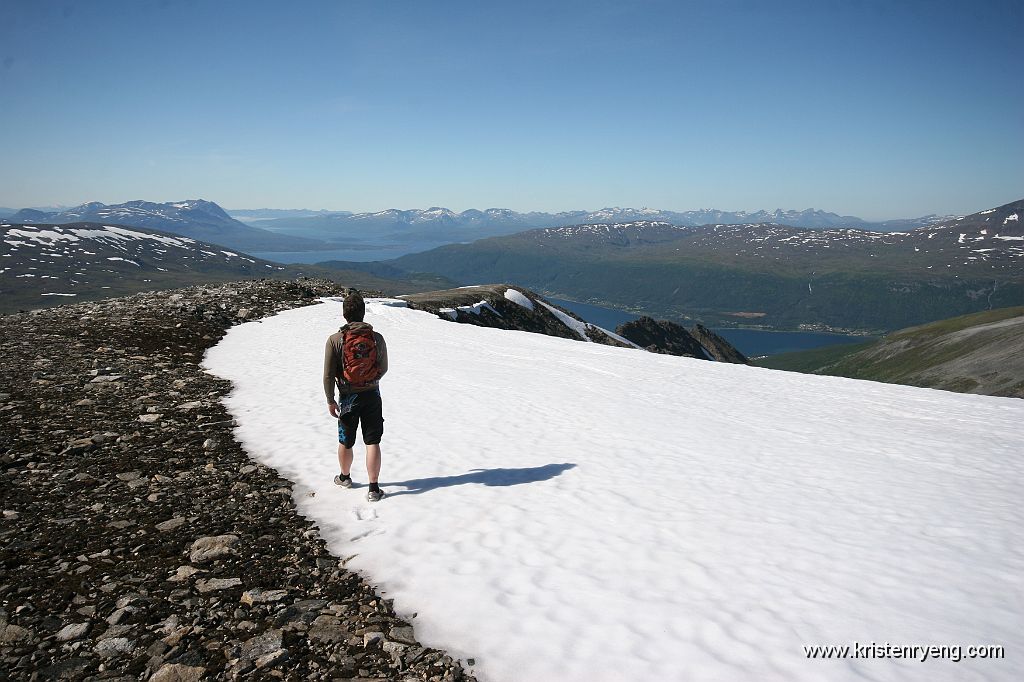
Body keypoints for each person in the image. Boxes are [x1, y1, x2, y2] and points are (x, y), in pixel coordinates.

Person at [323, 291, 389, 501]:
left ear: (344, 314)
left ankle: (345, 477)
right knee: (372, 441)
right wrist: (370, 379)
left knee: (346, 441)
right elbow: (384, 367)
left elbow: (328, 374)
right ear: (363, 312)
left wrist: (330, 399)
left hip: (347, 397)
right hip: (372, 394)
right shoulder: (376, 338)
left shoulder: (335, 340)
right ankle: (373, 488)